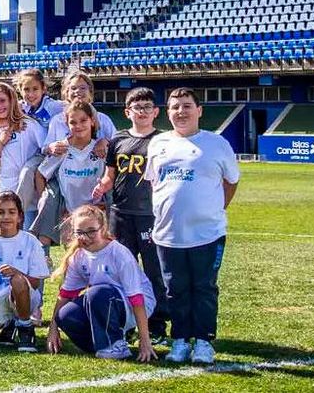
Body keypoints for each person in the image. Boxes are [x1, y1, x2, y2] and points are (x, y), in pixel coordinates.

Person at [144, 88, 240, 365]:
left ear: (199, 110)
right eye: (175, 107)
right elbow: (155, 182)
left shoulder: (217, 144)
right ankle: (180, 341)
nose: (181, 112)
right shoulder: (158, 143)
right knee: (175, 289)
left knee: (204, 288)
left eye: (187, 106)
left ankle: (204, 342)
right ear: (168, 112)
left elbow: (231, 182)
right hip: (167, 233)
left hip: (207, 233)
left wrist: (213, 210)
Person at [92, 86, 168, 344]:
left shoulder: (163, 141)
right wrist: (103, 185)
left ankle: (156, 324)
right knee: (122, 268)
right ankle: (126, 320)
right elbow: (110, 175)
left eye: (148, 107)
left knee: (154, 270)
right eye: (137, 107)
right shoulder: (118, 140)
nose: (143, 111)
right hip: (120, 213)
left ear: (156, 111)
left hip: (150, 214)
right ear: (128, 112)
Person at [46, 205, 157, 361]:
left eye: (91, 231)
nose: (85, 237)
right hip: (103, 302)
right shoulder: (78, 256)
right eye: (80, 232)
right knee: (65, 315)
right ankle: (107, 344)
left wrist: (145, 339)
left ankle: (115, 344)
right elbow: (65, 295)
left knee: (97, 293)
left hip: (135, 306)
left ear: (103, 227)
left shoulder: (119, 253)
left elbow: (136, 298)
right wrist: (53, 328)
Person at [0, 191, 49, 353]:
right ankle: (10, 323)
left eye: (11, 212)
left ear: (20, 216)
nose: (6, 217)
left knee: (17, 280)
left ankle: (25, 327)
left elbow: (35, 282)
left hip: (26, 295)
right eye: (1, 212)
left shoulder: (30, 241)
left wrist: (16, 272)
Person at [30, 101, 105, 247]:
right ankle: (44, 260)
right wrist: (46, 204)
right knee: (73, 259)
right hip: (69, 215)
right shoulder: (62, 149)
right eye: (73, 122)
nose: (78, 126)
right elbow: (40, 174)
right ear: (67, 125)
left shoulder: (100, 149)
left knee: (94, 255)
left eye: (83, 120)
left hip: (95, 213)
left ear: (92, 121)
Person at [0, 82, 44, 228]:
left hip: (28, 202)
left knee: (29, 241)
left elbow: (45, 150)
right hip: (3, 193)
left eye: (2, 101)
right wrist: (1, 141)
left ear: (12, 101)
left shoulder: (28, 125)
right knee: (0, 241)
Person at [42, 71, 115, 159]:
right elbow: (44, 148)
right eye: (73, 88)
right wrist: (50, 148)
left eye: (83, 88)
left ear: (90, 92)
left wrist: (106, 141)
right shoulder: (57, 120)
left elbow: (119, 143)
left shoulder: (103, 119)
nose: (78, 91)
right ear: (67, 93)